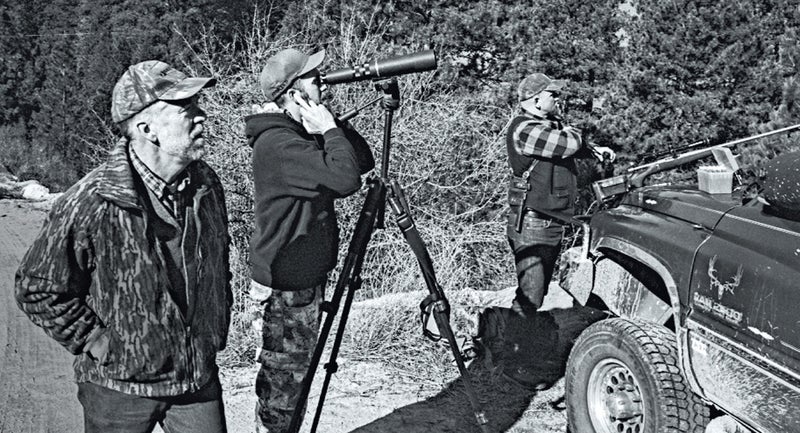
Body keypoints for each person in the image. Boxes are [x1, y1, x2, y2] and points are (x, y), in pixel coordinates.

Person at [15, 60, 233, 433]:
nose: (202, 116)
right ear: (147, 128)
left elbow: (218, 262)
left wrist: (216, 324)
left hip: (196, 375)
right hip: (119, 386)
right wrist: (100, 342)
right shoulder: (93, 199)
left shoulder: (206, 185)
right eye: (186, 108)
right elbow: (38, 287)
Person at [244, 48, 375, 432]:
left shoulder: (298, 135)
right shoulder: (281, 145)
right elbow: (345, 180)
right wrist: (329, 131)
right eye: (314, 79)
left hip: (300, 278)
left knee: (293, 382)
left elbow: (360, 161)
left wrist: (332, 126)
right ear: (292, 93)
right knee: (283, 389)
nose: (323, 84)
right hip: (284, 287)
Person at [500, 73, 614, 387]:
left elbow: (569, 148)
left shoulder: (546, 128)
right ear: (536, 99)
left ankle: (527, 354)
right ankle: (515, 363)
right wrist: (579, 132)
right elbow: (568, 143)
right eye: (553, 95)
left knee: (536, 293)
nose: (558, 100)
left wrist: (596, 152)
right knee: (530, 296)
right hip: (533, 224)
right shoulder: (525, 129)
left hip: (547, 222)